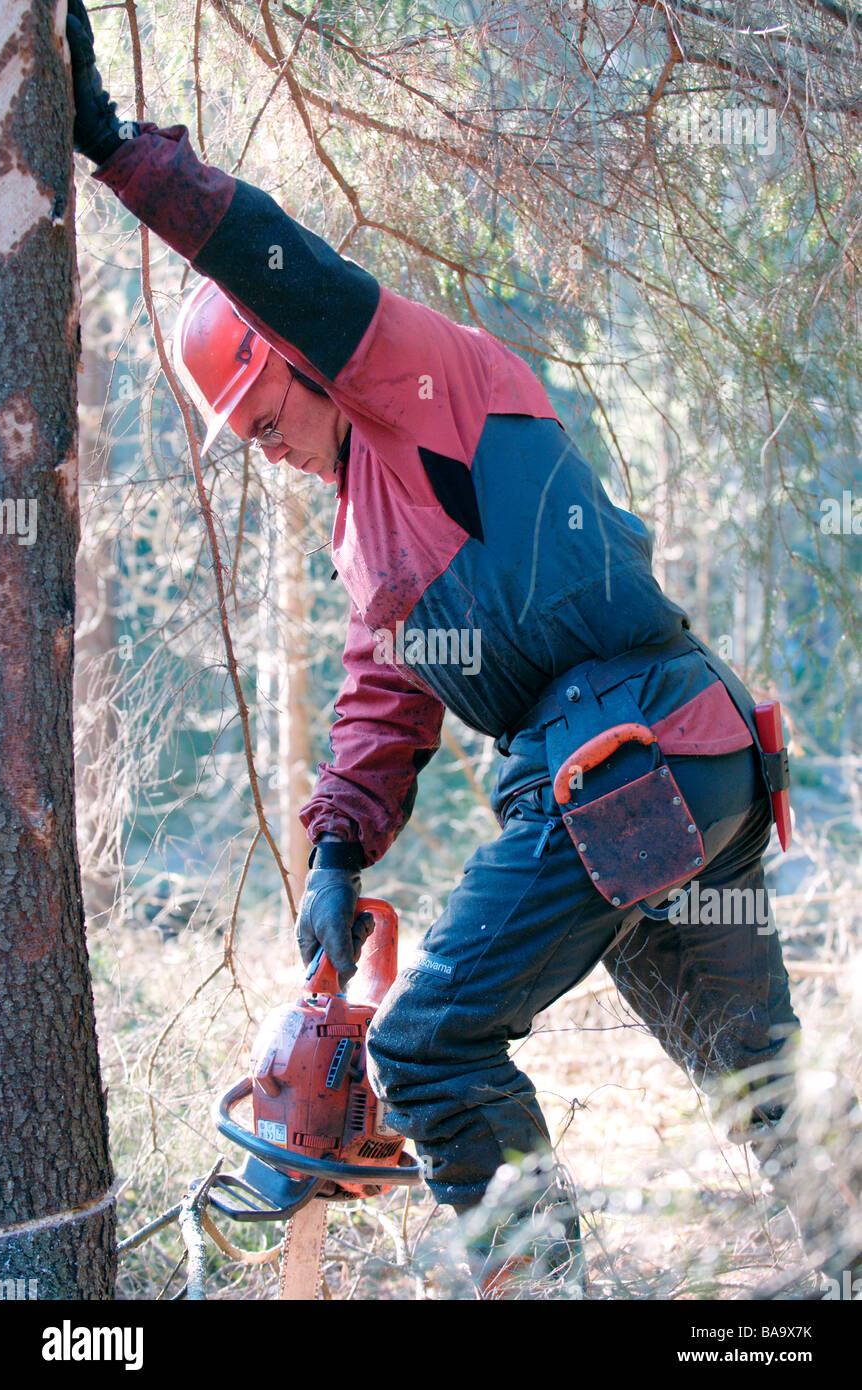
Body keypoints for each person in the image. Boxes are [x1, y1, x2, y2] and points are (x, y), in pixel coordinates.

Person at [67, 1, 847, 1296]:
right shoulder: (369, 534)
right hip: (681, 782)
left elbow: (276, 261)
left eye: (263, 414)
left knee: (429, 1045)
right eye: (245, 437)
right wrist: (334, 843)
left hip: (630, 749)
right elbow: (386, 696)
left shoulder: (425, 384)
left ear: (311, 364)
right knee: (768, 1099)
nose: (262, 446)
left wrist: (112, 149)